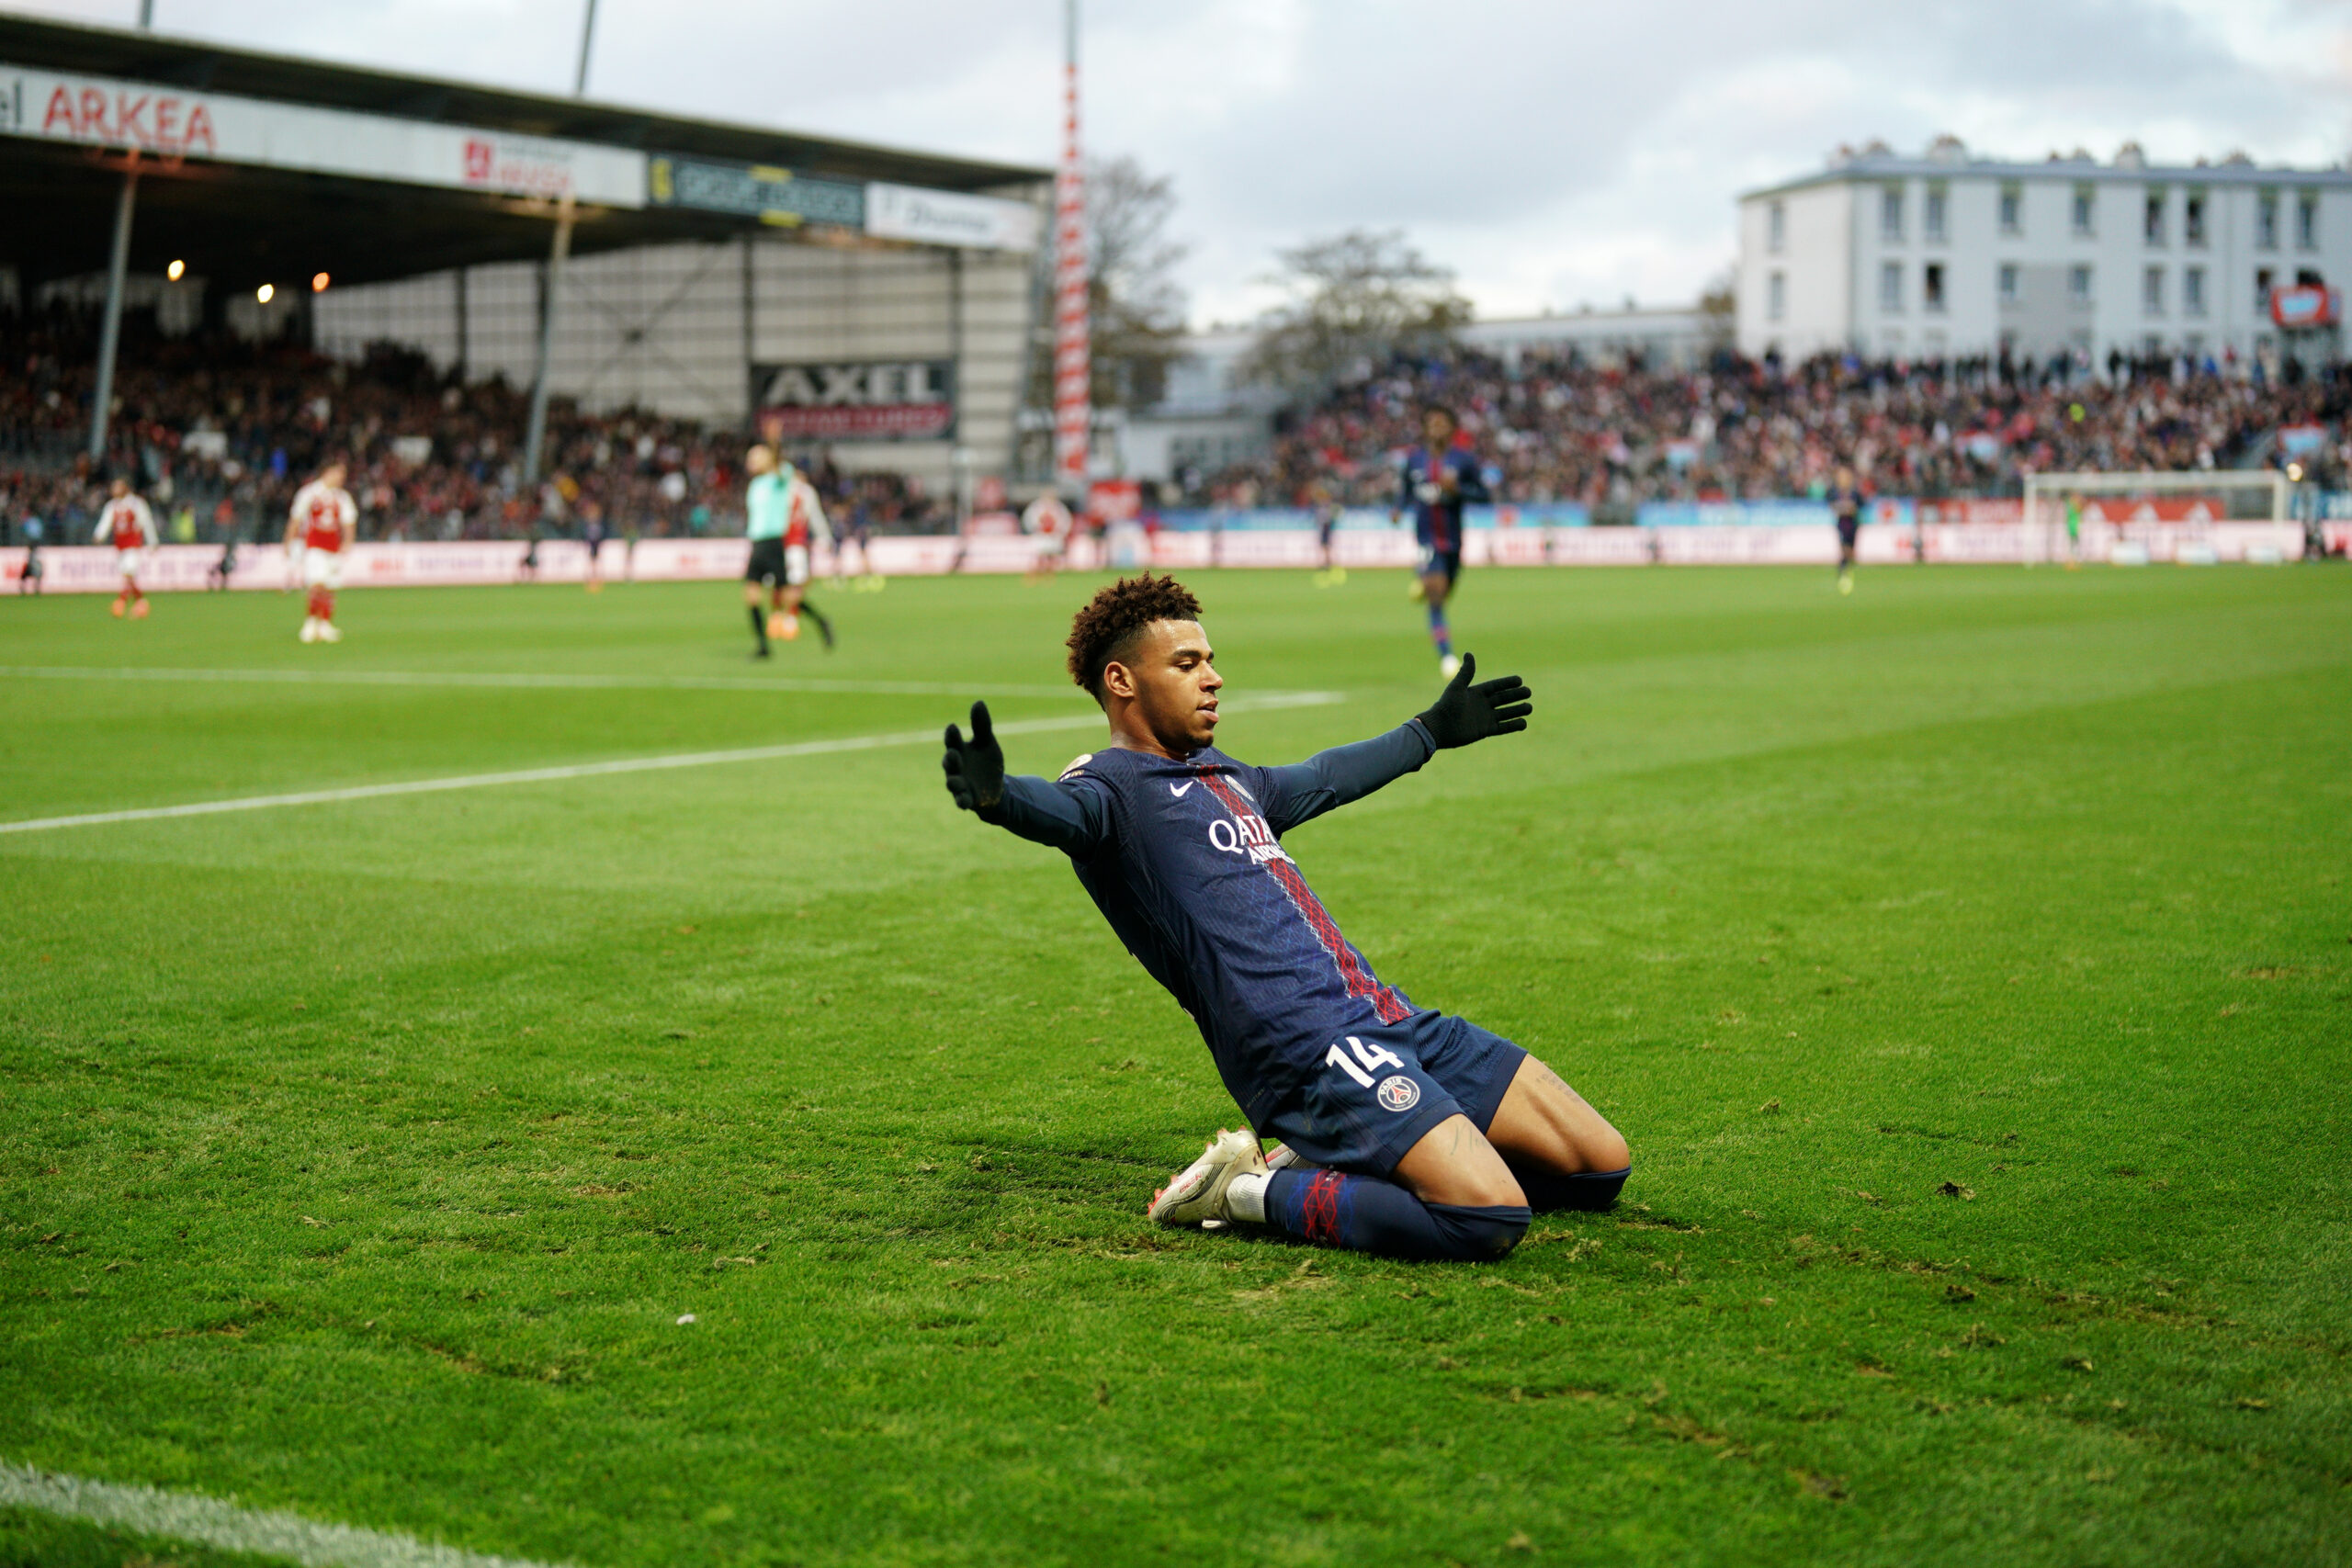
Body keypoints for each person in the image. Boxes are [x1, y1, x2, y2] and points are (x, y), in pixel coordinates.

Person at [939, 574, 1630, 1263]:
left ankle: (1344, 1151)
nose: (1212, 678)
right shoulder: (1108, 791)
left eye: (1209, 660)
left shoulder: (1229, 778)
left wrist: (1428, 733)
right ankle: (1244, 1190)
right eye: (1187, 664)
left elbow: (1328, 773)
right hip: (1312, 1054)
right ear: (1121, 680)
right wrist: (1002, 797)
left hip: (1392, 1019)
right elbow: (1062, 815)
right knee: (1486, 1216)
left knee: (1597, 1165)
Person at [1396, 405, 1487, 677]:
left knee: (1444, 592)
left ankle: (1422, 580)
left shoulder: (1464, 460)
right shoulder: (1414, 460)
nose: (1436, 428)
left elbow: (1484, 495)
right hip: (1426, 538)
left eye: (1442, 423)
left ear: (1451, 429)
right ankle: (1446, 654)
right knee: (1437, 597)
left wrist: (1458, 490)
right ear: (1424, 429)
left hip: (1453, 540)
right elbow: (1406, 491)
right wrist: (1398, 508)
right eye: (1431, 423)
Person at [741, 446, 834, 657]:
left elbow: (782, 470)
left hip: (777, 543)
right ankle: (764, 646)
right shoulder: (756, 485)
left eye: (755, 458)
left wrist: (773, 442)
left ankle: (816, 620)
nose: (751, 462)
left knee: (788, 594)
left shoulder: (781, 482)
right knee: (753, 595)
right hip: (758, 544)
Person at [287, 460, 356, 643]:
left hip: (333, 548)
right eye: (338, 473)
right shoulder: (309, 493)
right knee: (316, 584)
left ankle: (325, 625)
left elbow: (348, 521)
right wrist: (289, 541)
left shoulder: (342, 497)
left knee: (330, 587)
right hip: (313, 546)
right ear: (327, 473)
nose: (341, 478)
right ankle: (310, 624)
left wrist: (348, 542)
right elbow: (296, 518)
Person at [94, 477, 159, 619]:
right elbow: (105, 522)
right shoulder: (112, 505)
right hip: (120, 546)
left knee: (129, 572)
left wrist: (153, 542)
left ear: (125, 488)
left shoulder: (136, 504)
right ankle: (141, 603)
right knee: (128, 575)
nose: (114, 490)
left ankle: (120, 602)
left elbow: (146, 522)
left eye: (117, 486)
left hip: (133, 545)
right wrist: (98, 535)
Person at [1827, 465, 1865, 593]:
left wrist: (1853, 509)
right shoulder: (1835, 493)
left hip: (1853, 523)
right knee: (1844, 548)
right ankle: (1843, 571)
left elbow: (1861, 504)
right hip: (1842, 523)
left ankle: (1847, 569)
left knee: (1851, 550)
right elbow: (1830, 504)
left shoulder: (1854, 493)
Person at [1023, 490, 1073, 581]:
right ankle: (1035, 575)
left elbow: (1066, 521)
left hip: (1053, 536)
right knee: (1040, 556)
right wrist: (1035, 529)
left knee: (1051, 557)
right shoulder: (1036, 507)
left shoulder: (1059, 508)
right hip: (1041, 536)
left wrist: (1061, 533)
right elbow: (1029, 519)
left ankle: (1049, 575)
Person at [1311, 486, 1345, 587]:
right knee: (1325, 548)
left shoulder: (1327, 508)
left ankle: (1327, 565)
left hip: (1326, 530)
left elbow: (1329, 520)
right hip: (1324, 530)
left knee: (1326, 548)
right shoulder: (1322, 508)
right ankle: (1327, 564)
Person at [17, 516, 44, 596]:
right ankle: (34, 589)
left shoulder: (33, 553)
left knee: (26, 575)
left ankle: (30, 589)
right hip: (32, 569)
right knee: (32, 574)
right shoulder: (35, 553)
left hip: (31, 569)